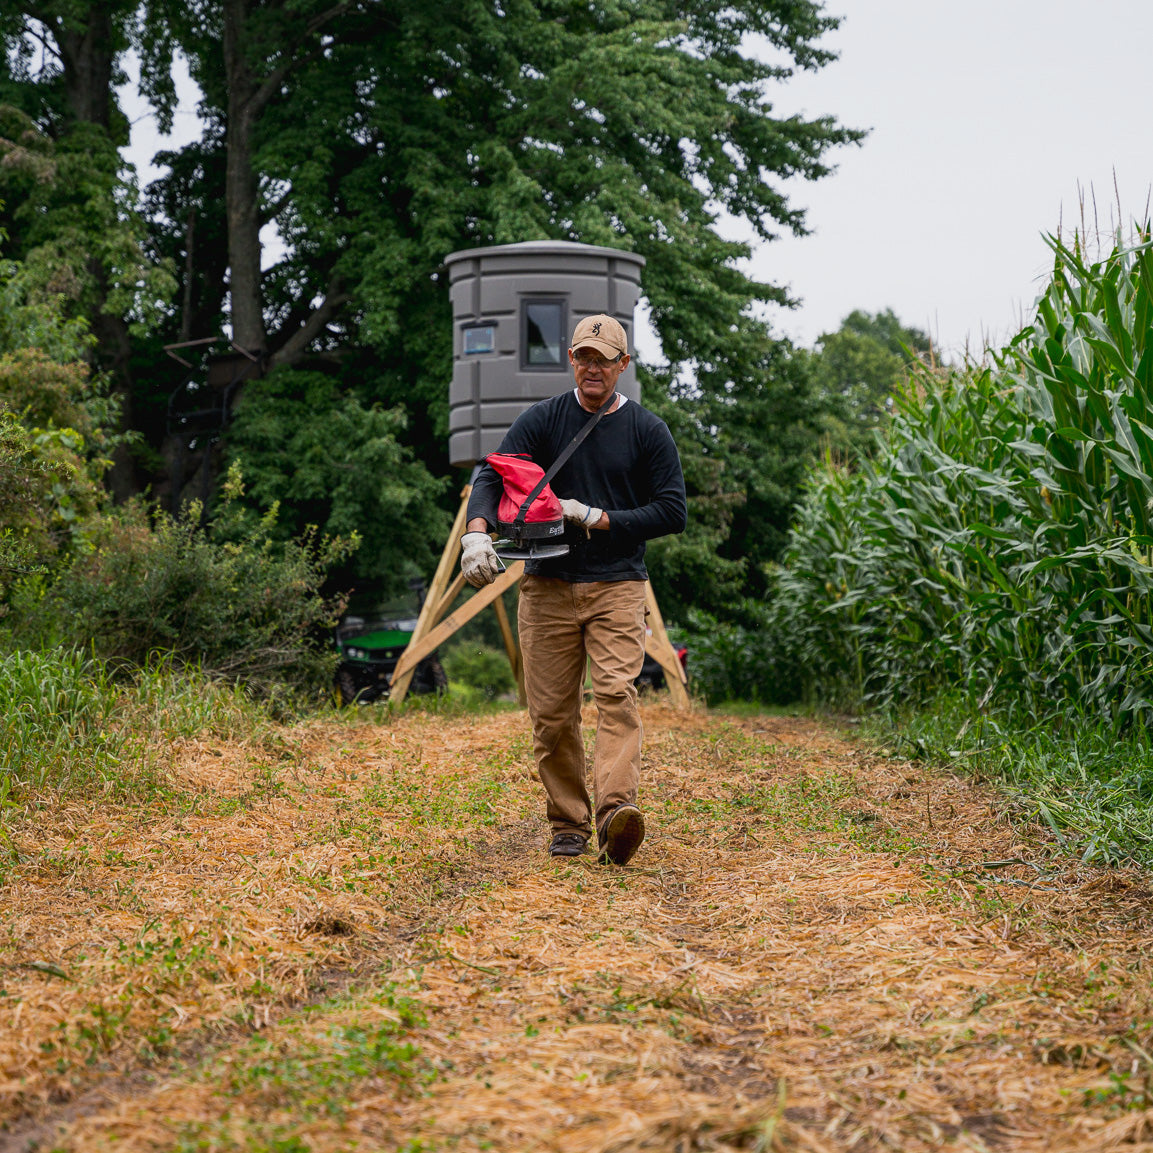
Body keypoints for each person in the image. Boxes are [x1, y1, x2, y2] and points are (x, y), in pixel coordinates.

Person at [460, 314, 686, 865]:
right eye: (584, 356)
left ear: (622, 366)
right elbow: (493, 474)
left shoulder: (647, 431)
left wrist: (597, 517)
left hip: (618, 584)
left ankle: (615, 814)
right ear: (571, 359)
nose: (592, 367)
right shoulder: (542, 420)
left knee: (615, 696)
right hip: (547, 585)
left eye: (604, 359)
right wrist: (475, 535)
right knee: (554, 713)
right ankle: (568, 823)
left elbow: (672, 510)